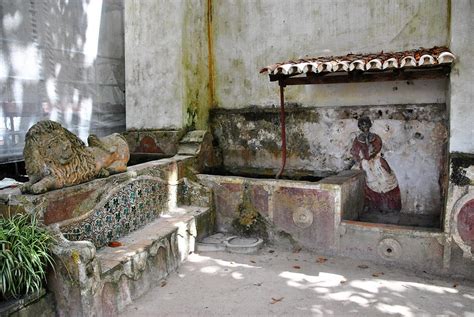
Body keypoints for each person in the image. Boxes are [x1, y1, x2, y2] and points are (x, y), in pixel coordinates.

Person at [350, 117, 401, 213]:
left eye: (366, 124)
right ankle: (376, 208)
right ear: (359, 127)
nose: (364, 127)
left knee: (387, 181)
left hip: (376, 161)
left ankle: (391, 208)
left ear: (369, 125)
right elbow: (355, 153)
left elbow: (377, 149)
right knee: (371, 184)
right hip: (366, 163)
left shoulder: (376, 137)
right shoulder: (357, 140)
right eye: (361, 125)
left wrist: (371, 153)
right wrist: (359, 159)